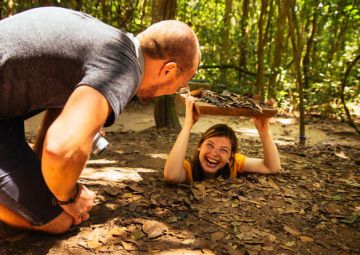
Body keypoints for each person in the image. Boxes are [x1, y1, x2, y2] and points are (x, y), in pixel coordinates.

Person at [0, 7, 200, 234]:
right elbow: (61, 149)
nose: (176, 90)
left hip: (6, 114)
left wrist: (48, 181)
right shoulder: (123, 68)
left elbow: (62, 105)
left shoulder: (110, 41)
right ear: (168, 70)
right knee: (58, 220)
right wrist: (69, 197)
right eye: (181, 84)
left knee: (49, 197)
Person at [164, 94, 281, 183]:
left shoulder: (233, 163)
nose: (214, 153)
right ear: (199, 146)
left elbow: (272, 167)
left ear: (231, 155)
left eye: (224, 150)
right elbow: (171, 176)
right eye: (210, 145)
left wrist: (264, 130)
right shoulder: (189, 169)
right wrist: (188, 125)